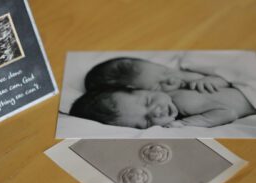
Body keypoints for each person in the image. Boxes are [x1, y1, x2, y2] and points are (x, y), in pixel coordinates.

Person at [70, 87, 255, 128]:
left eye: (148, 102)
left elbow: (228, 113)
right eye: (147, 121)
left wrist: (187, 124)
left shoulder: (182, 99)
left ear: (147, 89)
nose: (157, 113)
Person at [84, 57, 229, 93]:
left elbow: (229, 77)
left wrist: (212, 80)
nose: (172, 79)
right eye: (159, 86)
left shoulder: (192, 69)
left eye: (165, 71)